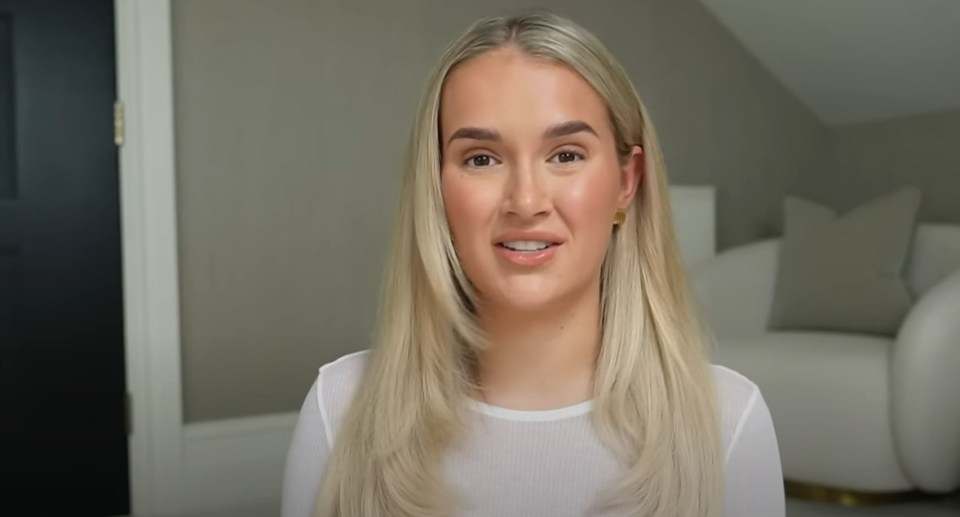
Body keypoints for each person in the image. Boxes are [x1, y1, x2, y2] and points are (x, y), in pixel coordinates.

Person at [282, 9, 784, 517]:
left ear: (627, 181)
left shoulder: (729, 423)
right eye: (481, 158)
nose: (525, 201)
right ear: (435, 187)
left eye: (566, 155)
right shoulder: (339, 409)